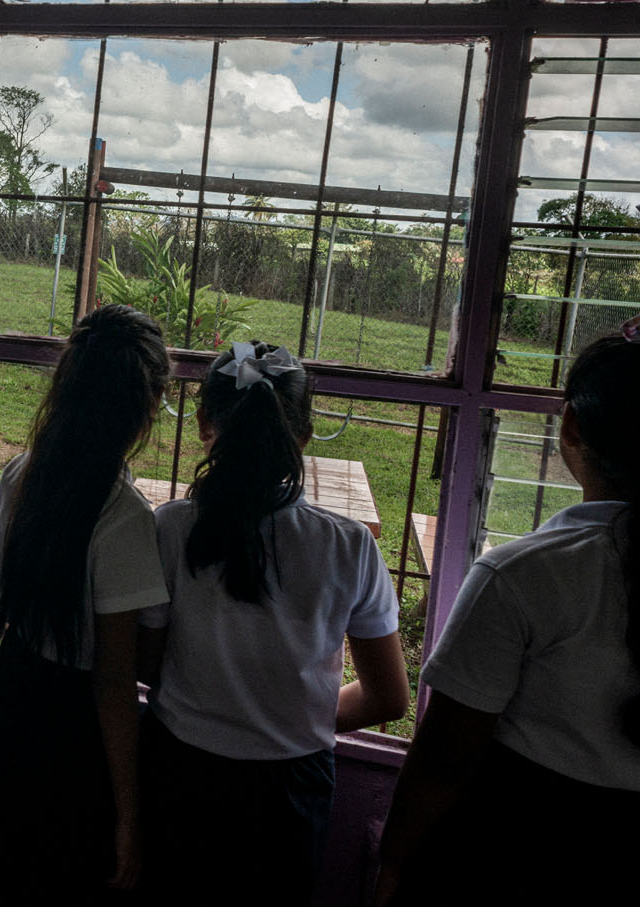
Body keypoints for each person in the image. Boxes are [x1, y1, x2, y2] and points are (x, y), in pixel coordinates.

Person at [375, 318, 640, 904]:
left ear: (569, 427)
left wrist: (392, 866)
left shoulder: (522, 576)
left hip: (518, 858)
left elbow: (444, 761)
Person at [136, 340, 408, 901]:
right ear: (304, 435)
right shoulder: (349, 546)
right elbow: (388, 697)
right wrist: (296, 714)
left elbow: (145, 662)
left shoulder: (171, 528)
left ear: (203, 422)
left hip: (178, 772)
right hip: (290, 790)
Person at [0, 304, 170, 901]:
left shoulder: (23, 474)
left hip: (9, 700)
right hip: (72, 736)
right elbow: (114, 678)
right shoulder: (123, 515)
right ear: (145, 407)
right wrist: (129, 815)